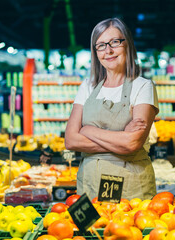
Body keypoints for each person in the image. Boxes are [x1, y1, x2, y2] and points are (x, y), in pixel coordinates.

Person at [65, 18, 159, 200]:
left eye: (114, 42)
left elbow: (132, 143)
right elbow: (70, 140)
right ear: (95, 52)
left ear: (127, 45)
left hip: (132, 187)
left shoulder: (143, 86)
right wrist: (120, 138)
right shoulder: (88, 86)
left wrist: (87, 130)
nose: (108, 51)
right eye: (100, 45)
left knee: (129, 229)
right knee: (92, 229)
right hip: (89, 184)